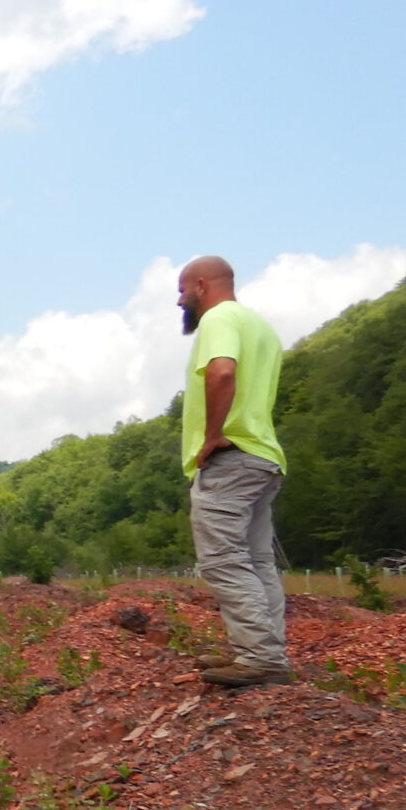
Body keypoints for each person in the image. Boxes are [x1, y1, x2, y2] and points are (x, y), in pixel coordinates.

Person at [176, 256, 290, 687]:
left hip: (232, 459)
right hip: (263, 457)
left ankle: (259, 656)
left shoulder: (219, 319)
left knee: (223, 559)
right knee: (258, 561)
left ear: (202, 285)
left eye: (182, 289)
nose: (179, 300)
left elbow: (222, 371)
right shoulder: (260, 327)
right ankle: (266, 648)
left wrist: (211, 436)